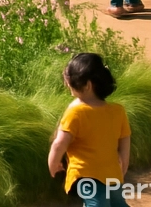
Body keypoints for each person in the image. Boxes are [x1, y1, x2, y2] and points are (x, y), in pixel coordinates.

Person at [48, 53, 131, 207]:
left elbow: (59, 143)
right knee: (115, 203)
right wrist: (124, 161)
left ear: (87, 85)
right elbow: (125, 138)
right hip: (111, 173)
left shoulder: (75, 112)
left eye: (70, 78)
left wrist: (53, 162)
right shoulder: (117, 111)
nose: (67, 82)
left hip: (85, 174)